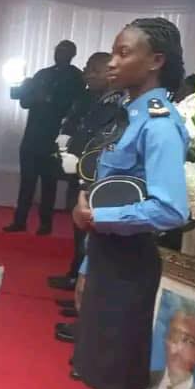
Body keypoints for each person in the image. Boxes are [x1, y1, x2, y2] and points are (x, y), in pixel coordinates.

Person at [41, 18, 189, 389]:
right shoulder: (130, 113)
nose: (113, 62)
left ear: (156, 61)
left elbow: (170, 208)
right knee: (105, 377)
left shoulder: (159, 122)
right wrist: (87, 256)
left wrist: (100, 219)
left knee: (121, 382)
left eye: (125, 53)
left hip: (129, 262)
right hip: (108, 256)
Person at [48, 52, 116, 293]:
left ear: (109, 73)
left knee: (89, 236)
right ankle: (76, 277)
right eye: (87, 69)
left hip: (95, 176)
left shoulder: (117, 103)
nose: (88, 75)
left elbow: (101, 141)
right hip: (78, 171)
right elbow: (75, 124)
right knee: (79, 232)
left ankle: (82, 284)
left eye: (94, 70)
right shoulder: (89, 97)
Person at [5, 40, 84, 235]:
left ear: (73, 54)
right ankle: (20, 221)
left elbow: (76, 105)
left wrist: (48, 99)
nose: (60, 54)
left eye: (64, 51)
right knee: (27, 181)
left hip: (55, 137)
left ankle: (45, 224)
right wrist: (25, 88)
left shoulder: (76, 77)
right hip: (32, 134)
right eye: (58, 50)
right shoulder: (42, 74)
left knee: (49, 182)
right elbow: (24, 101)